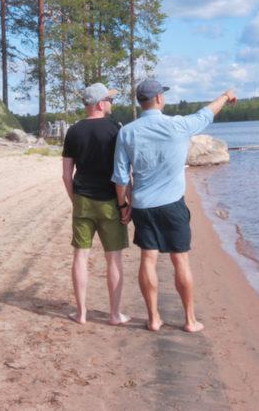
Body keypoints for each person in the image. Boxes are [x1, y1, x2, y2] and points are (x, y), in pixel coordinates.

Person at [112, 79, 236, 332]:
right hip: (172, 205)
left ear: (140, 101)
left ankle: (153, 318)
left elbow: (121, 176)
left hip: (143, 205)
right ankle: (190, 320)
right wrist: (225, 96)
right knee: (180, 260)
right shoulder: (178, 125)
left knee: (148, 258)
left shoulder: (127, 132)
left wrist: (123, 205)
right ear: (159, 98)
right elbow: (207, 113)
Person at [61, 82, 130, 326]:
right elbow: (123, 172)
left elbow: (66, 174)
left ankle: (81, 313)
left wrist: (75, 200)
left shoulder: (74, 131)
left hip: (83, 200)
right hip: (110, 201)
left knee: (80, 256)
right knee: (114, 258)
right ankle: (114, 314)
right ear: (100, 104)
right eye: (109, 100)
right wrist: (125, 203)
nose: (111, 103)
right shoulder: (116, 130)